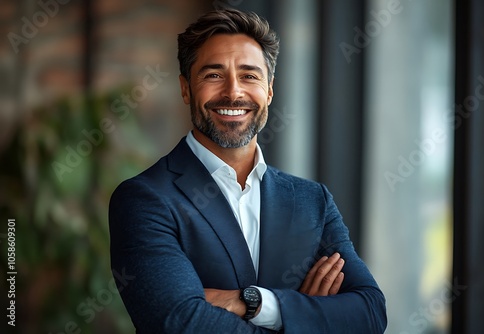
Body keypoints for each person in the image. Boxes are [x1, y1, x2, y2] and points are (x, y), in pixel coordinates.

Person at [109, 8, 387, 333]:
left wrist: (253, 302)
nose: (233, 91)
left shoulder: (313, 201)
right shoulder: (145, 200)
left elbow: (369, 313)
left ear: (269, 89)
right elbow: (179, 323)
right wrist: (305, 317)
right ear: (185, 89)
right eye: (213, 75)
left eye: (249, 75)